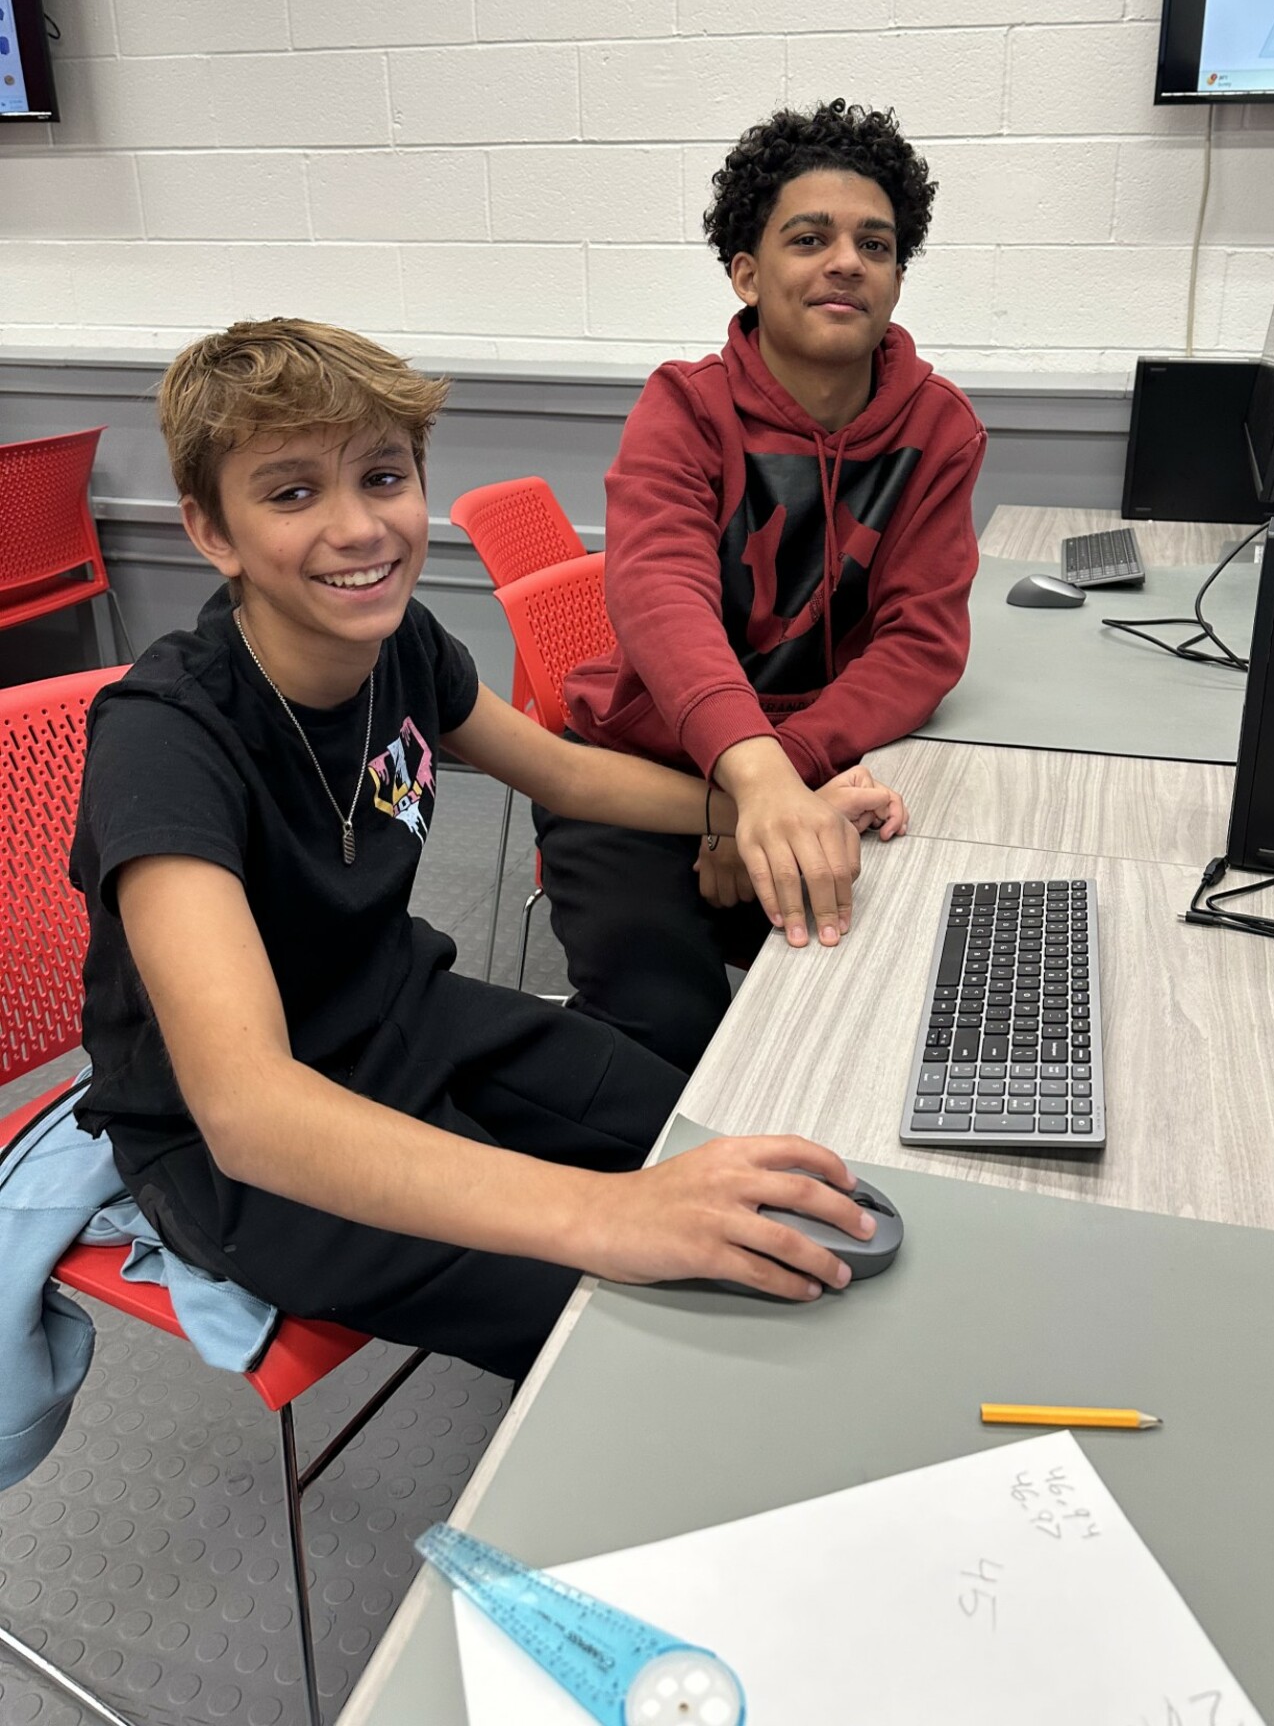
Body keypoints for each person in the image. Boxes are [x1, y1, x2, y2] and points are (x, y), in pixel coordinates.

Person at [69, 319, 905, 1385]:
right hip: (238, 1142)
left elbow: (568, 774)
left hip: (403, 1013)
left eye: (383, 476)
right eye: (290, 494)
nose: (359, 528)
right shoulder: (166, 736)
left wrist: (766, 801)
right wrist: (605, 1212)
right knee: (644, 1325)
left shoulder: (401, 641)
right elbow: (249, 1109)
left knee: (739, 1149)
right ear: (211, 530)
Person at [537, 99, 986, 1071]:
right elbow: (662, 602)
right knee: (667, 1046)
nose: (847, 261)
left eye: (877, 242)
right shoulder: (683, 410)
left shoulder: (939, 430)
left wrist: (776, 783)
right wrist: (753, 788)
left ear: (898, 279)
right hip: (634, 778)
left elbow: (921, 644)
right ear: (746, 272)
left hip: (811, 771)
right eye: (809, 237)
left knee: (899, 1004)